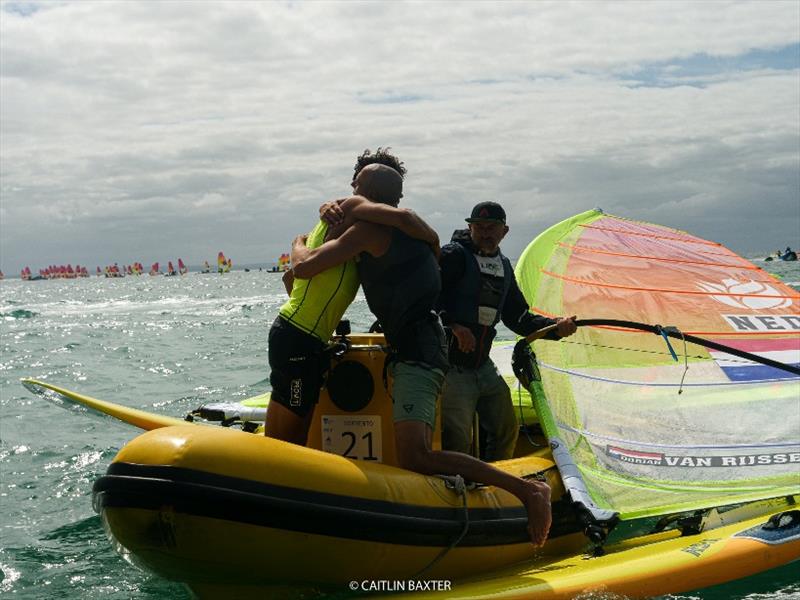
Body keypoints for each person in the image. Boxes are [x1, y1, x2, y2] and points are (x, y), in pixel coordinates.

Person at [291, 167, 553, 548]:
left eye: (355, 187)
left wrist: (299, 242)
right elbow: (414, 229)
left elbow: (301, 267)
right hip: (419, 346)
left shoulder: (373, 228)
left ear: (364, 194)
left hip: (421, 351)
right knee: (423, 448)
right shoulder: (413, 232)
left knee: (417, 455)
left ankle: (527, 491)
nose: (348, 192)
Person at [265, 151, 439, 447]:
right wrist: (434, 244)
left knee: (297, 435)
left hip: (308, 338)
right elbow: (302, 270)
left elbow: (290, 280)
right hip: (297, 335)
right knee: (285, 442)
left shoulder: (349, 223)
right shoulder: (354, 210)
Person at [438, 202, 577, 461]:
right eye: (479, 227)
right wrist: (454, 326)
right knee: (457, 437)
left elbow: (519, 319)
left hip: (483, 366)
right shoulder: (453, 256)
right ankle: (456, 488)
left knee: (506, 429)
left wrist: (556, 327)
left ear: (505, 231)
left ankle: (493, 483)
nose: (485, 233)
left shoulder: (503, 265)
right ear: (470, 228)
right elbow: (427, 298)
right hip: (451, 368)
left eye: (492, 227)